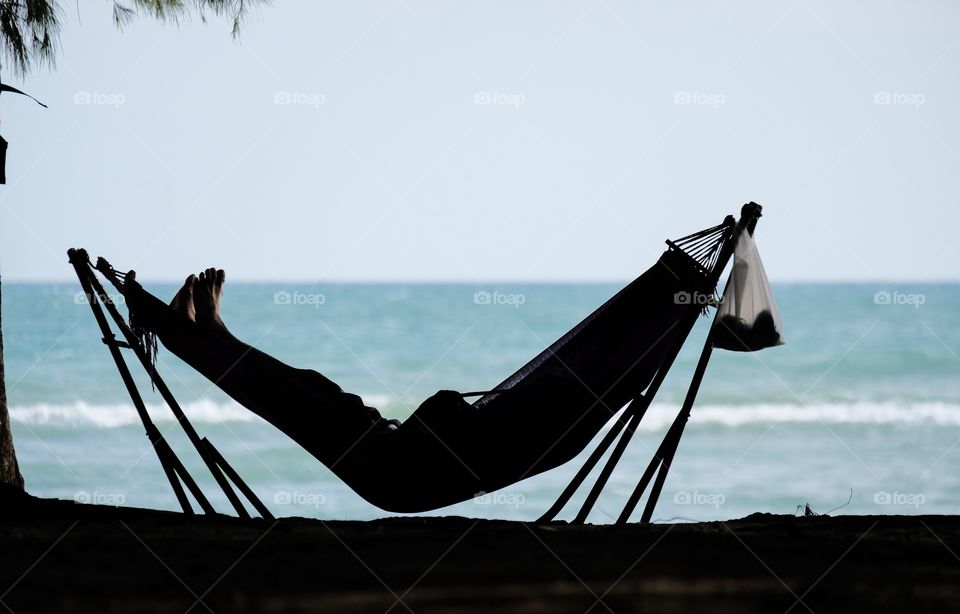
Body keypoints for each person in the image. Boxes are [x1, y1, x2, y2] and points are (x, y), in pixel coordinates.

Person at [124, 247, 705, 512]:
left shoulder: (548, 420)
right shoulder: (563, 421)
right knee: (309, 390)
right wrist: (448, 412)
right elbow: (450, 426)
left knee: (293, 397)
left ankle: (189, 334)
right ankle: (212, 335)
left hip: (395, 472)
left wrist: (447, 408)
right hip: (398, 455)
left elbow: (443, 420)